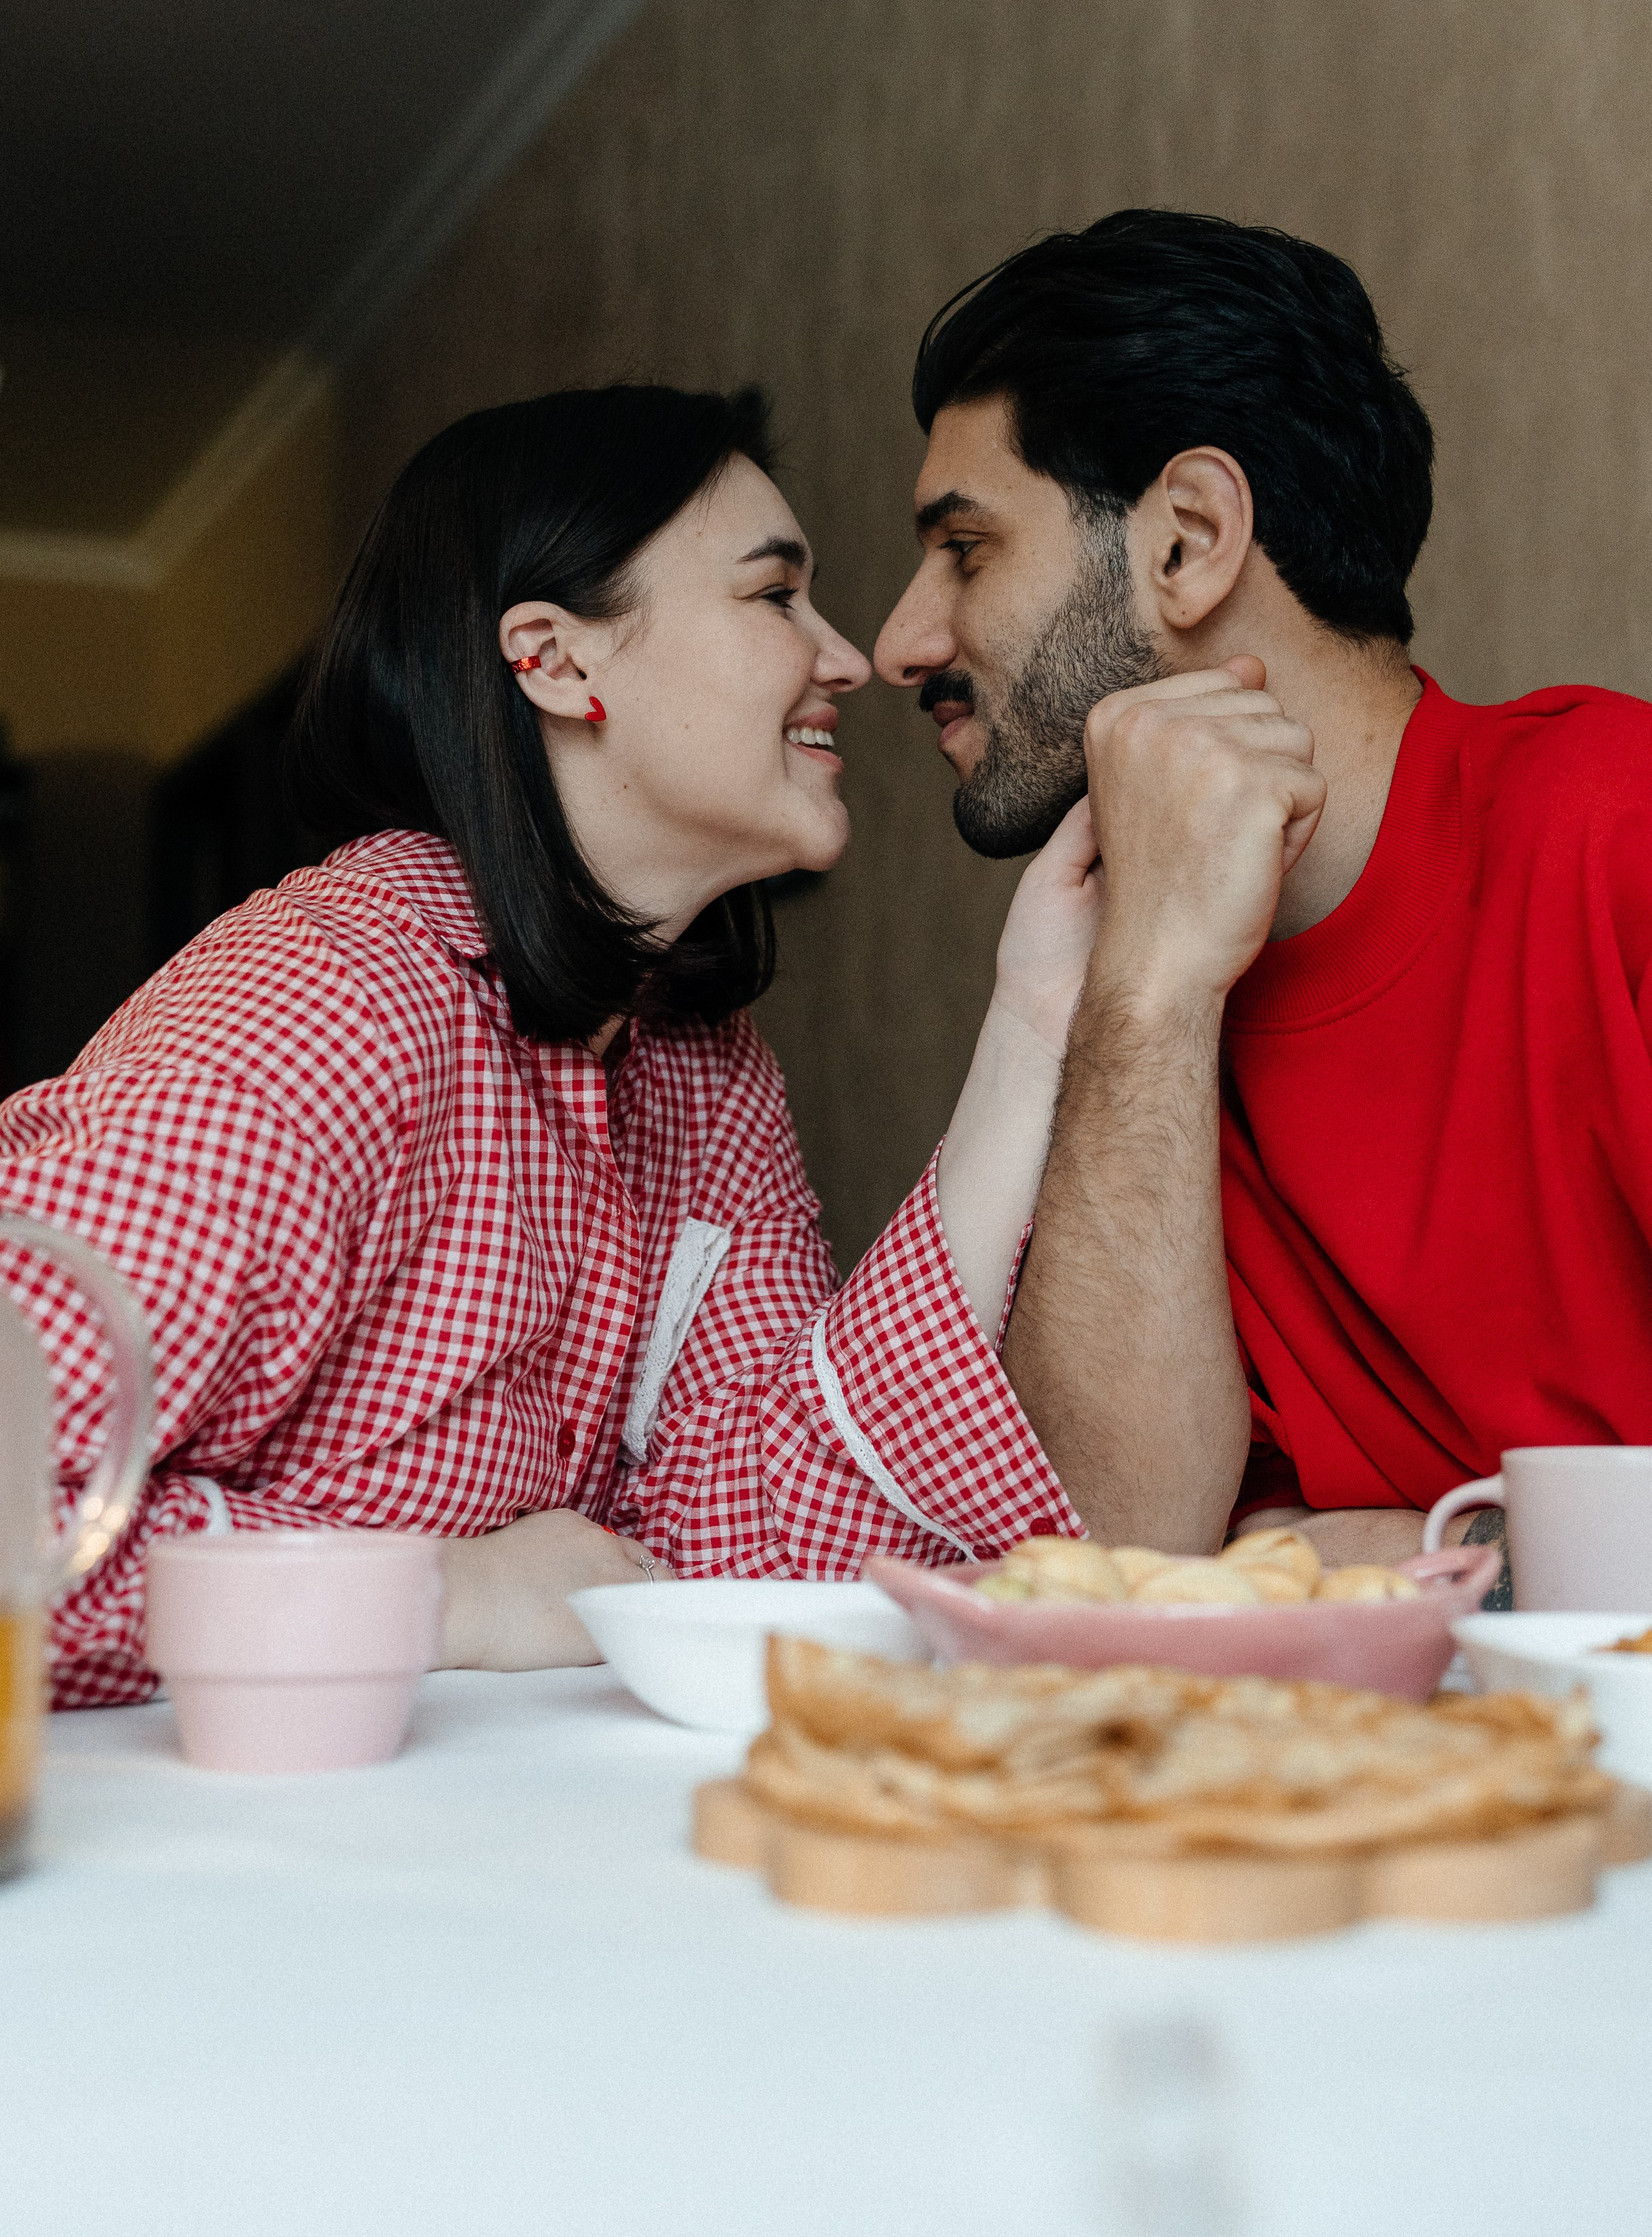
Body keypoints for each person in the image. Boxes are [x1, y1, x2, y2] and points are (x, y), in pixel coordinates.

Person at [2, 385, 1087, 1708]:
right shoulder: (320, 1014)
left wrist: (1031, 1024)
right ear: (555, 662)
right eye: (771, 597)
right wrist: (438, 1597)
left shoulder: (703, 1075)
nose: (848, 658)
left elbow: (761, 1556)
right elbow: (12, 1526)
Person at [874, 206, 1652, 1575]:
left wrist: (1387, 1552)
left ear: (1186, 538)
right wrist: (1154, 989)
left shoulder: (1614, 825)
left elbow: (1258, 1581)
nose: (898, 641)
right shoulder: (1136, 994)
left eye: (966, 549)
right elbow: (1122, 1562)